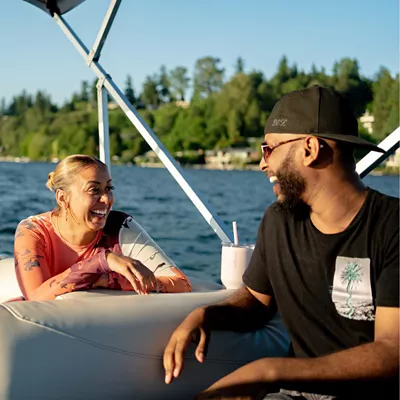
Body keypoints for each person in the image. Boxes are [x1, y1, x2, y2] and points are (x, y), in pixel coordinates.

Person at [163, 85, 399, 400]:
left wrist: (269, 371)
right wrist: (205, 314)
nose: (263, 163)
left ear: (310, 149)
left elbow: (392, 351)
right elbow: (256, 303)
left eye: (269, 148)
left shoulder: (392, 226)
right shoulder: (280, 221)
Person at [13, 154, 192, 301]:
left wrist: (108, 280)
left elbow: (181, 283)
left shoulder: (120, 226)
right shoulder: (33, 231)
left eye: (109, 188)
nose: (106, 199)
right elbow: (36, 300)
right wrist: (101, 262)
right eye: (94, 190)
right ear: (62, 198)